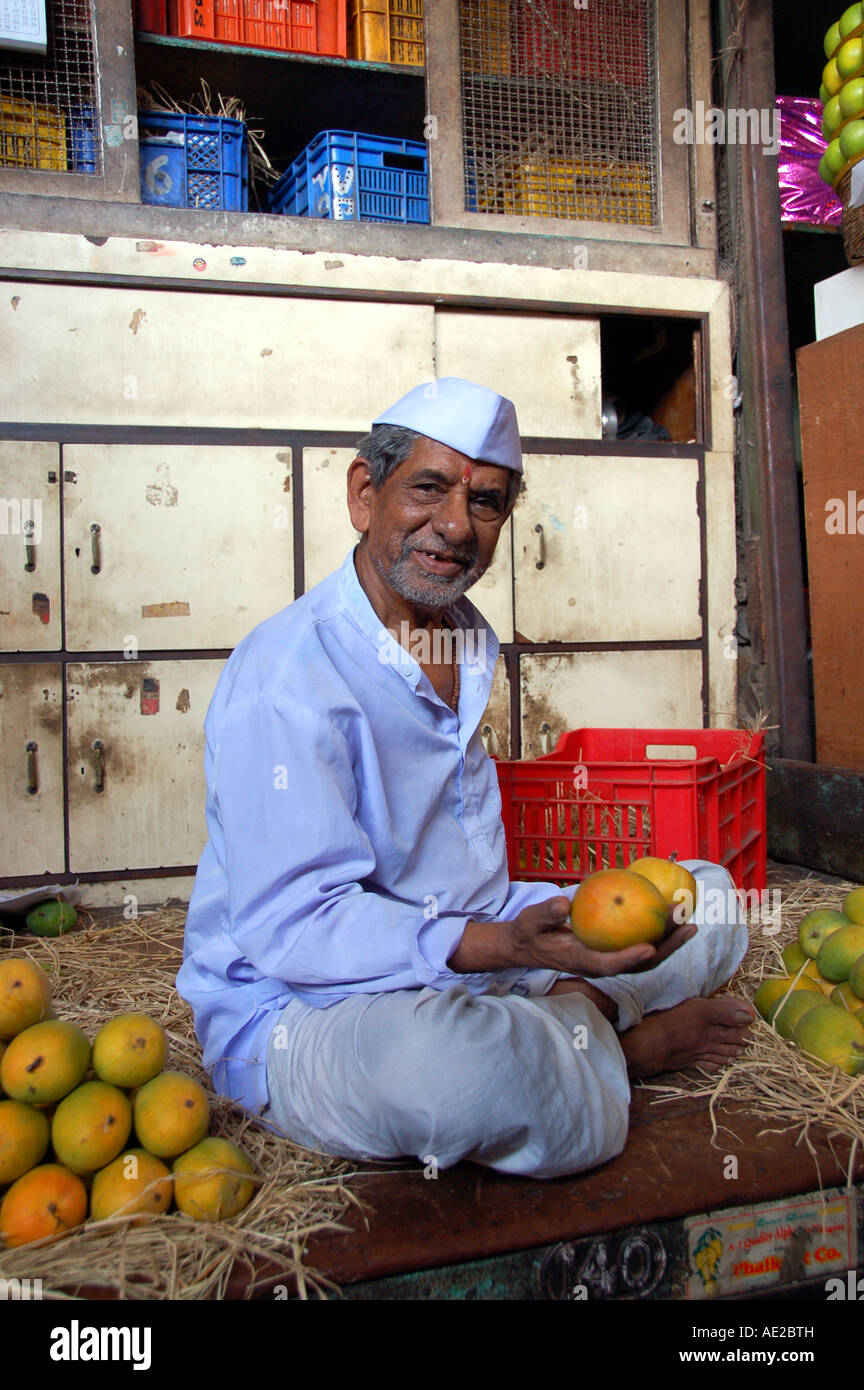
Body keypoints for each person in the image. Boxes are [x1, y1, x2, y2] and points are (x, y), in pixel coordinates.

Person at [177, 377, 754, 1180]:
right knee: (445, 1074)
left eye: (485, 502)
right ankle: (617, 1041)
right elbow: (296, 931)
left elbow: (470, 888)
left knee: (710, 897)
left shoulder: (461, 638)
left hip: (477, 942)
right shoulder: (287, 676)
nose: (455, 526)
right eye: (428, 488)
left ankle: (577, 1016)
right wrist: (497, 946)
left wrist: (514, 940)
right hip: (309, 1006)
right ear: (363, 493)